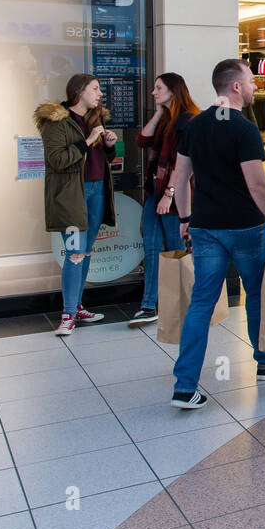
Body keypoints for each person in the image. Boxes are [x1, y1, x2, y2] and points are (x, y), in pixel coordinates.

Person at [169, 59, 265, 409]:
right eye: (252, 81)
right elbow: (257, 186)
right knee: (256, 293)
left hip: (205, 227)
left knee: (201, 301)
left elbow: (179, 179)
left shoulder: (194, 127)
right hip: (245, 227)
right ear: (236, 87)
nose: (256, 86)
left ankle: (184, 386)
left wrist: (185, 217)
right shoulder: (242, 130)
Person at [34, 74, 118, 335]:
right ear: (79, 91)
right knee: (75, 254)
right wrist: (88, 140)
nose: (100, 93)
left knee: (86, 251)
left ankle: (78, 305)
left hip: (97, 191)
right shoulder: (56, 121)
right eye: (95, 89)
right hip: (72, 195)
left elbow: (100, 157)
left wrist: (108, 145)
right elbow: (57, 160)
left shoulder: (95, 118)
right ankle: (68, 314)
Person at [130, 72, 200, 327]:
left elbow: (181, 165)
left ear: (173, 90)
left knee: (175, 250)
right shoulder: (168, 120)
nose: (153, 92)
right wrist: (160, 112)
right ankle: (149, 305)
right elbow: (142, 140)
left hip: (173, 196)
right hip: (154, 192)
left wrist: (170, 195)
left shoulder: (187, 121)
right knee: (151, 247)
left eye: (159, 88)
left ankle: (180, 302)